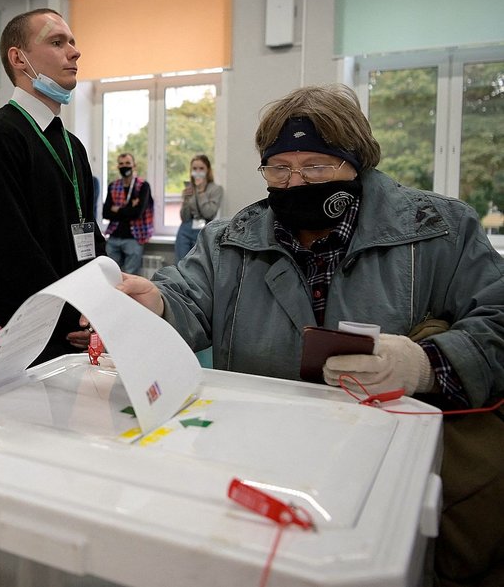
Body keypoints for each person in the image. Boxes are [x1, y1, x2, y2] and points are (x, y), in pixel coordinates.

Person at [117, 83, 504, 587]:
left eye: (316, 166)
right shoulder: (230, 240)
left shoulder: (437, 230)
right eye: (279, 168)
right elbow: (187, 299)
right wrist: (158, 304)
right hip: (257, 469)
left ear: (355, 164)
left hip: (385, 488)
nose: (295, 181)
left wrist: (425, 364)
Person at [0, 8, 105, 363]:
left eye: (73, 43)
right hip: (31, 334)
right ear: (19, 59)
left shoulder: (73, 144)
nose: (74, 52)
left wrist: (100, 305)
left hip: (77, 326)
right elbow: (13, 249)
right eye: (57, 42)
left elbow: (88, 234)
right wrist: (69, 313)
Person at [103, 152, 153, 274]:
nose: (124, 166)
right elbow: (106, 213)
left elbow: (137, 214)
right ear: (118, 167)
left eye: (127, 163)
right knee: (110, 275)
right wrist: (129, 208)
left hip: (134, 237)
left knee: (130, 277)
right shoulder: (113, 186)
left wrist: (117, 209)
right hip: (114, 237)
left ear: (134, 165)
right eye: (121, 164)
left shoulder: (143, 186)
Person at [174, 154, 223, 261]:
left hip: (204, 229)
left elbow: (209, 213)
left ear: (208, 170)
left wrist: (201, 192)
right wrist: (186, 199)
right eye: (195, 168)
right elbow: (184, 217)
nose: (198, 171)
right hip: (186, 229)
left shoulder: (216, 189)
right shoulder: (190, 188)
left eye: (201, 168)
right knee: (180, 264)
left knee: (197, 266)